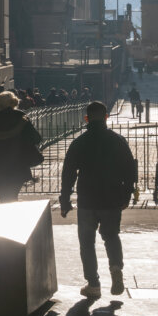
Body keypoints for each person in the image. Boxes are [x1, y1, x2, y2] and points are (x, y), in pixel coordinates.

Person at [59, 101, 137, 300]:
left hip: (87, 198)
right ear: (106, 117)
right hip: (112, 197)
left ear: (86, 118)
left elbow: (69, 172)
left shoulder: (80, 142)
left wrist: (65, 198)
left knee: (87, 243)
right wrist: (127, 194)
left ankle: (93, 284)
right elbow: (130, 169)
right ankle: (116, 267)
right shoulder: (117, 140)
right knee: (111, 236)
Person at [0, 90, 43, 203]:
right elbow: (36, 138)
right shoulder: (21, 117)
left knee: (3, 197)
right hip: (18, 165)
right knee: (13, 196)